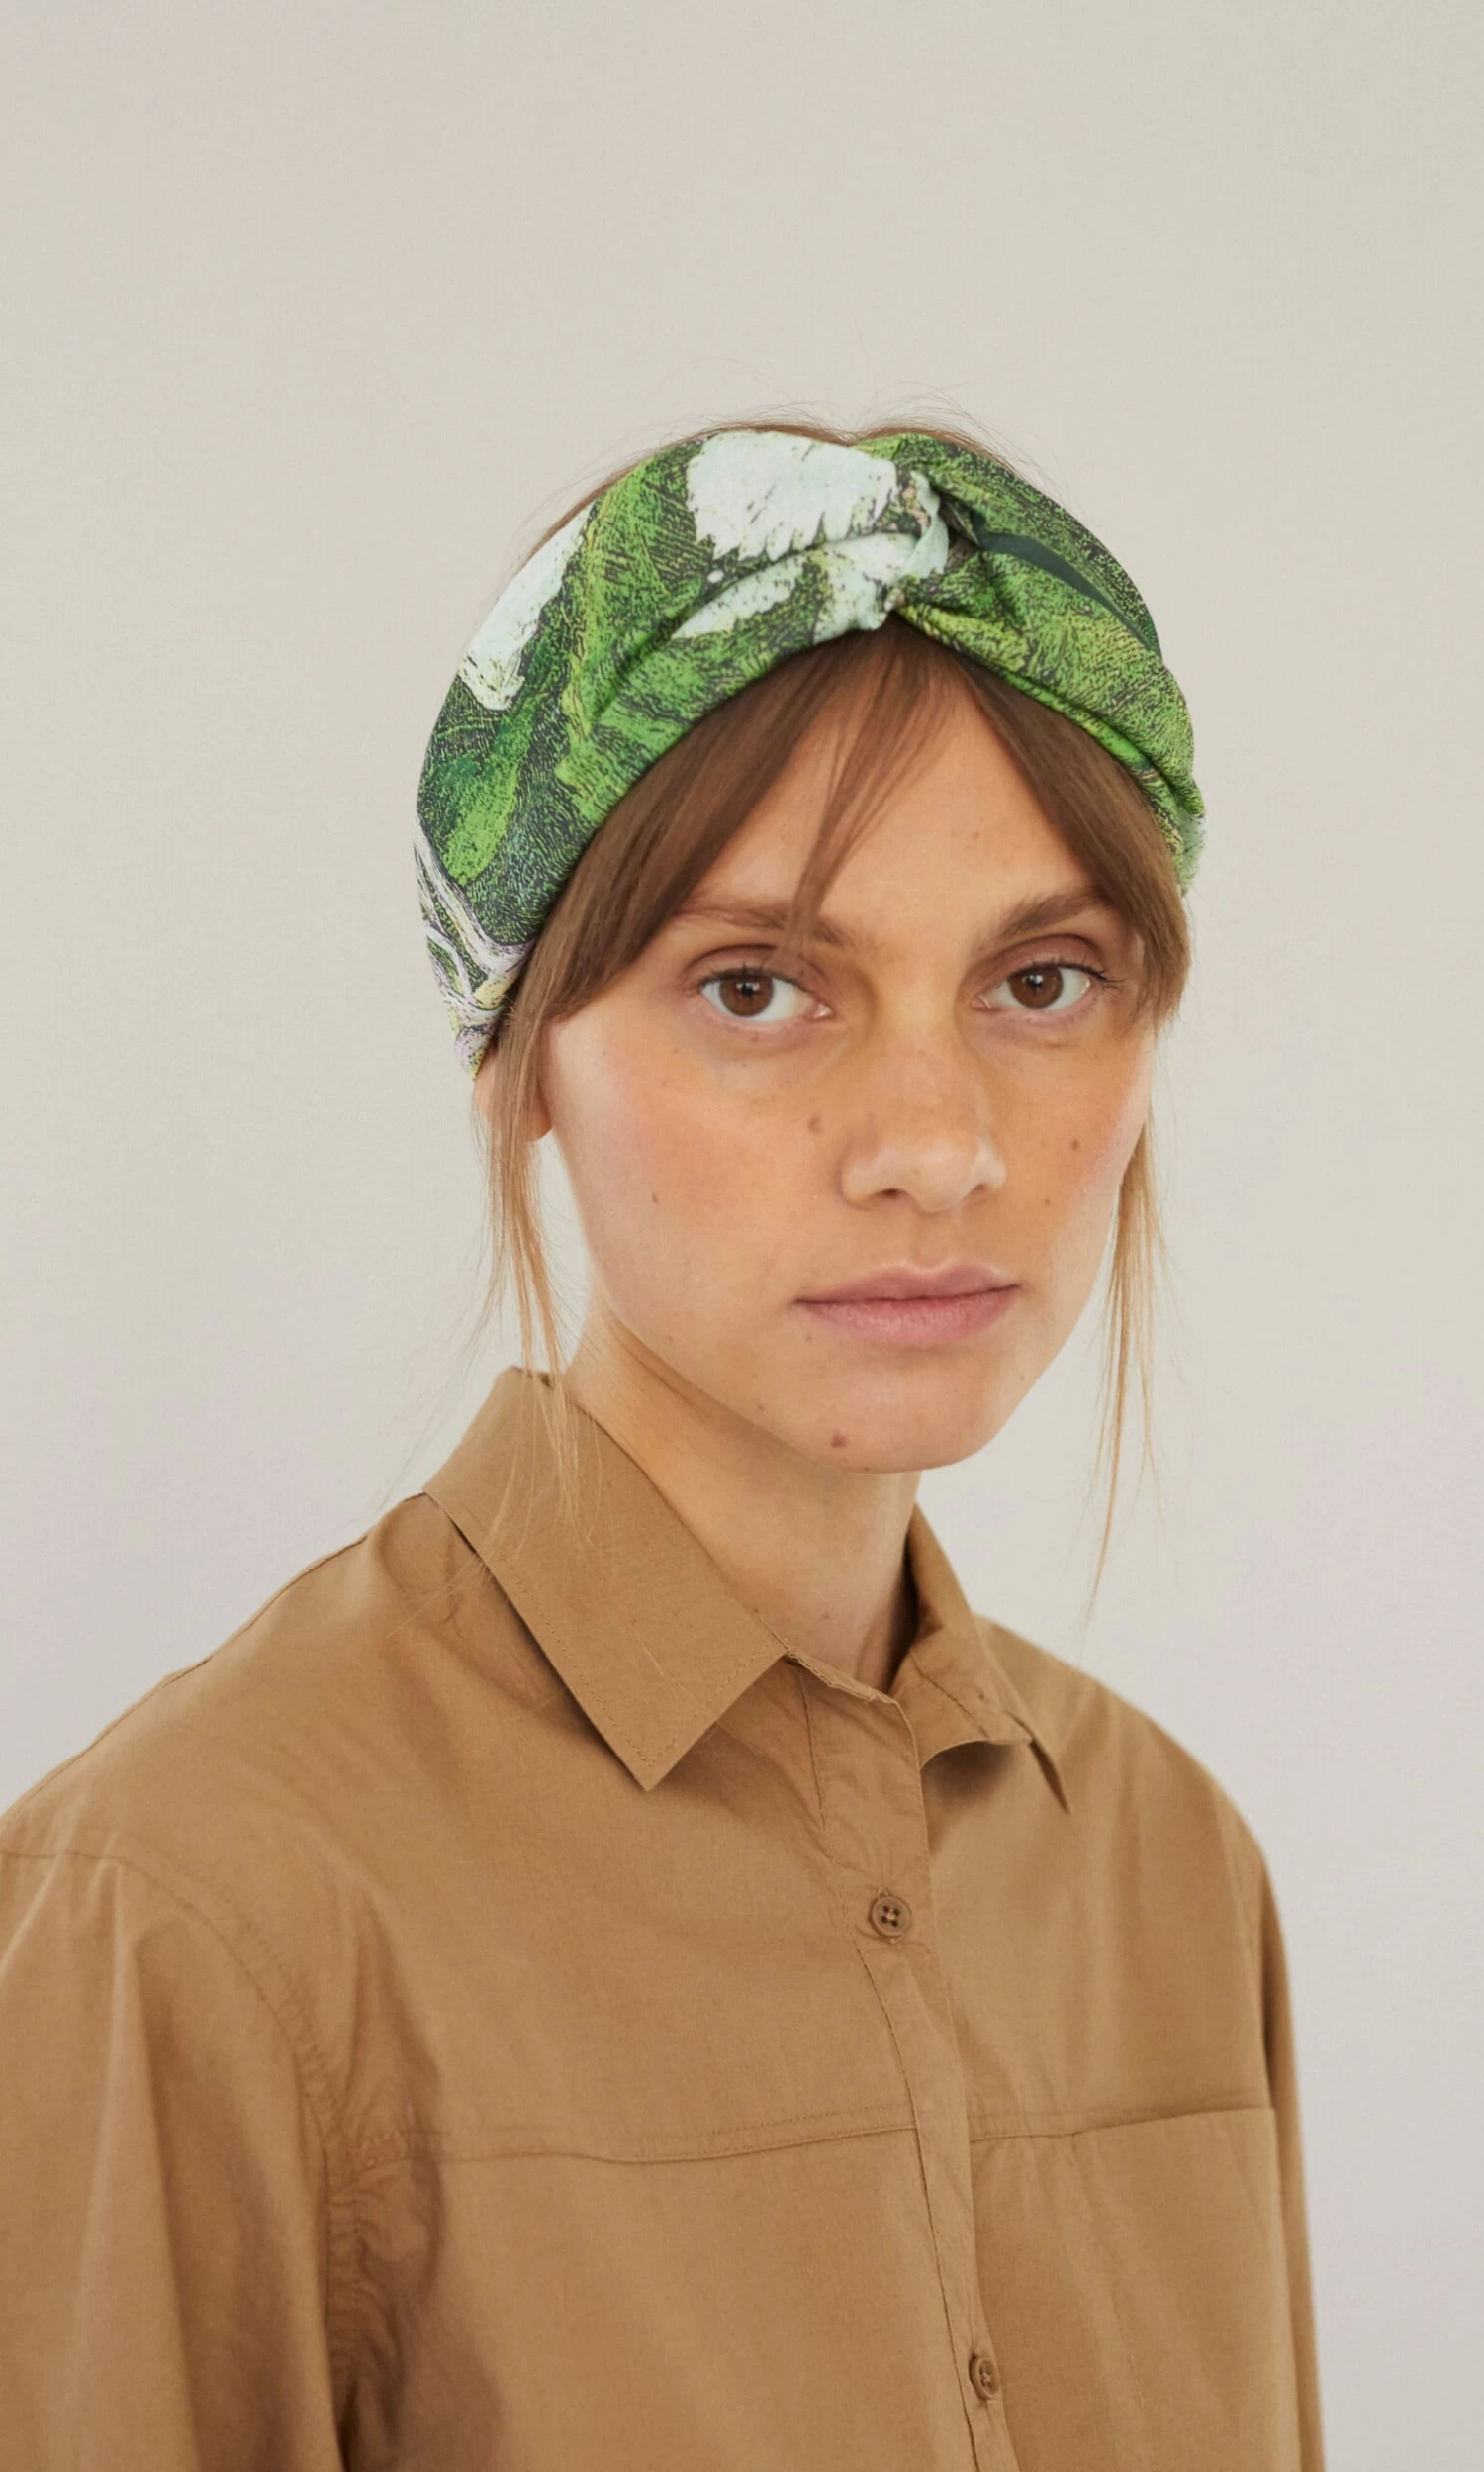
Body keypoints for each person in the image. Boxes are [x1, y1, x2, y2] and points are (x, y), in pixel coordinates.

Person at [0, 421, 1324, 2470]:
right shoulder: (187, 1917)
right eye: (760, 987)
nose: (937, 1143)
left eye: (1042, 979)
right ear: (523, 1055)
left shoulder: (1170, 1876)